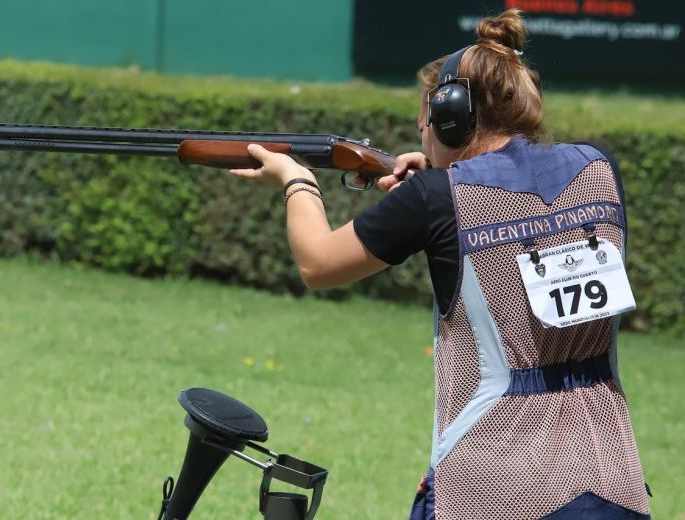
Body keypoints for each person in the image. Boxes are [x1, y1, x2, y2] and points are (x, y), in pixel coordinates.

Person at [229, 8, 651, 519]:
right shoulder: (598, 168)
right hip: (611, 479)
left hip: (495, 487)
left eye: (426, 120)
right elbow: (523, 196)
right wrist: (439, 174)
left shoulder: (436, 198)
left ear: (451, 117)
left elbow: (318, 263)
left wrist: (296, 181)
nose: (421, 130)